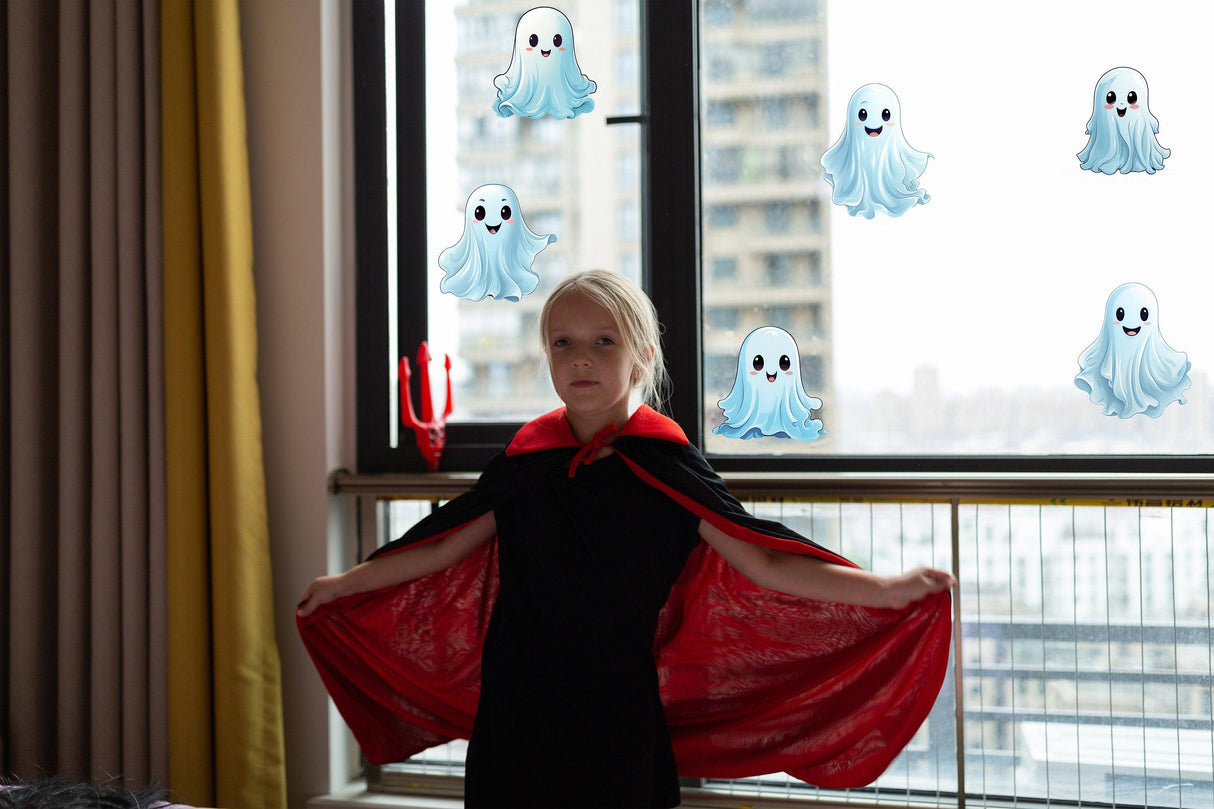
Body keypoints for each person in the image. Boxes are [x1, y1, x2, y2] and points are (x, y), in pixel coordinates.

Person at [298, 269, 955, 809]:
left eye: (604, 341)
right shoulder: (526, 462)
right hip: (514, 721)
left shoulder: (666, 466)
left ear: (642, 355)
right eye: (563, 342)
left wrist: (885, 588)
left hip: (617, 721)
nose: (581, 356)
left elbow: (762, 556)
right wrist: (342, 583)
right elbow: (436, 546)